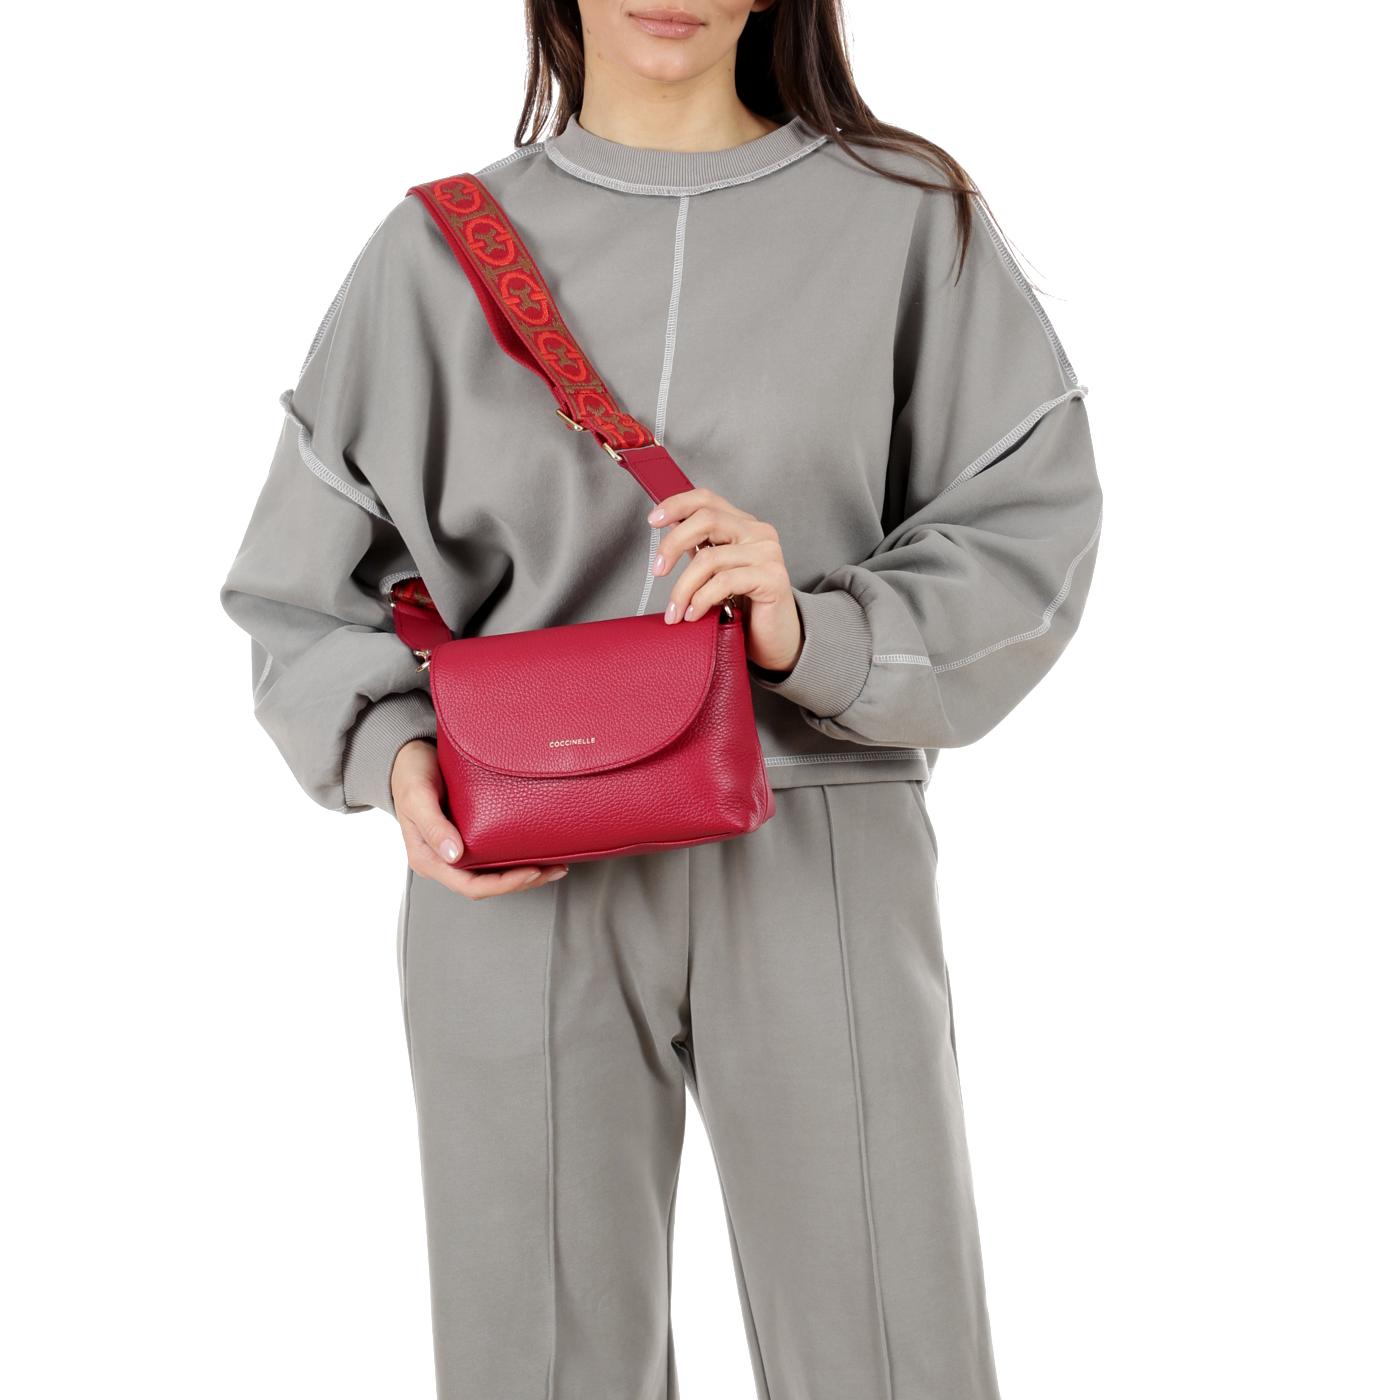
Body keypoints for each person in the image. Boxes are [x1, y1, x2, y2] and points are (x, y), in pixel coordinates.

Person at [222, 1, 1102, 1394]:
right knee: (537, 1366)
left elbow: (1028, 535)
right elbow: (301, 584)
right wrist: (393, 756)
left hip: (819, 840)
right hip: (520, 862)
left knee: (890, 1351)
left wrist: (812, 630)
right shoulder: (430, 253)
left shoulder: (905, 224)